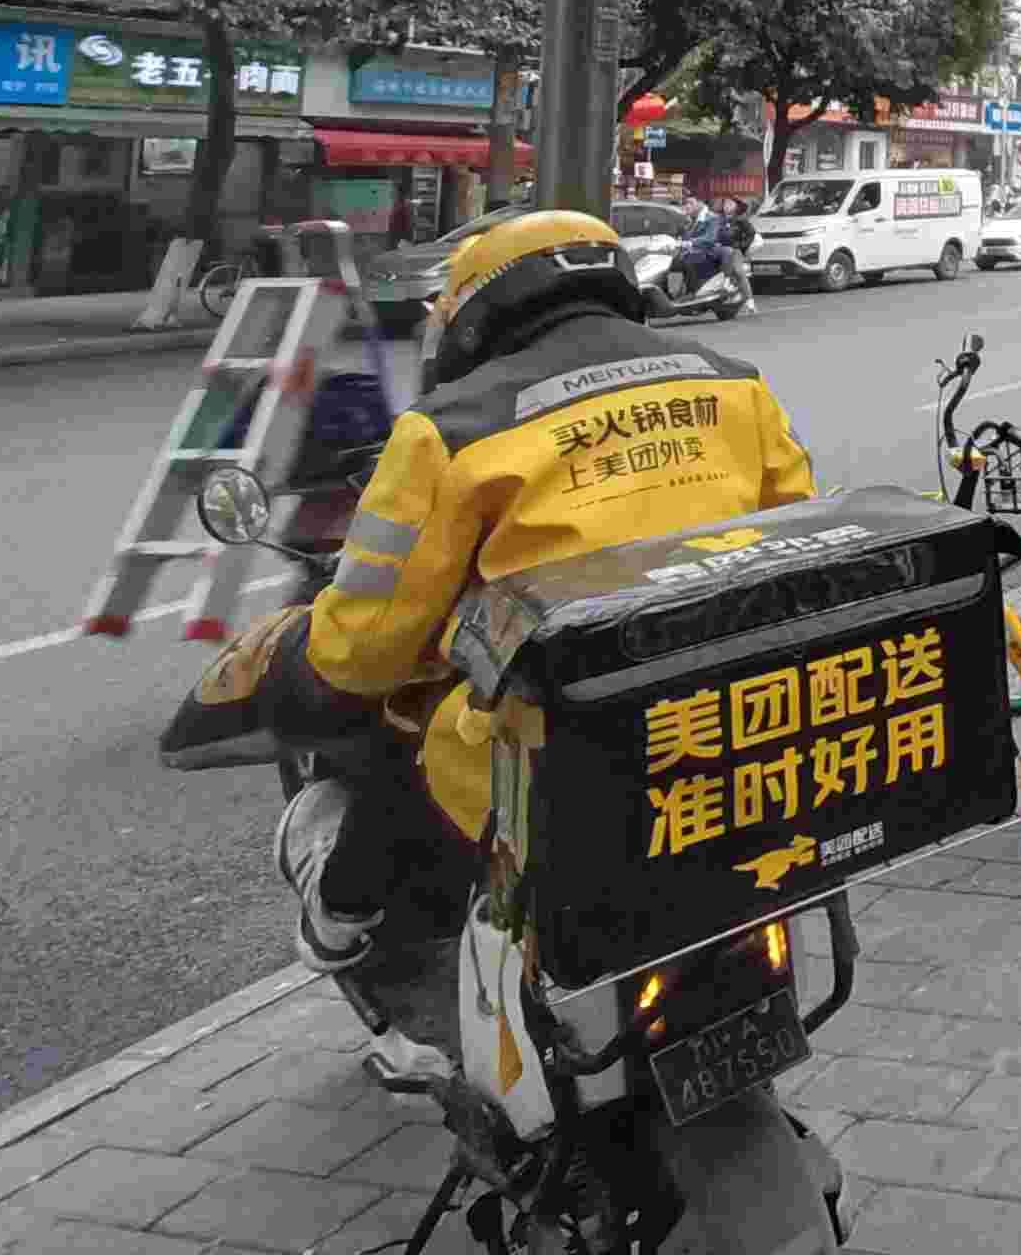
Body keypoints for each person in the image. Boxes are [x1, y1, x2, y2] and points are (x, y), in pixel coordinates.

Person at [261, 211, 816, 976]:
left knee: (405, 743)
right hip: (740, 718)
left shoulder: (450, 429)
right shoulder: (735, 385)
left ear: (473, 311)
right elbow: (799, 541)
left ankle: (341, 916)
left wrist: (313, 662)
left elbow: (368, 643)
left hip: (550, 756)